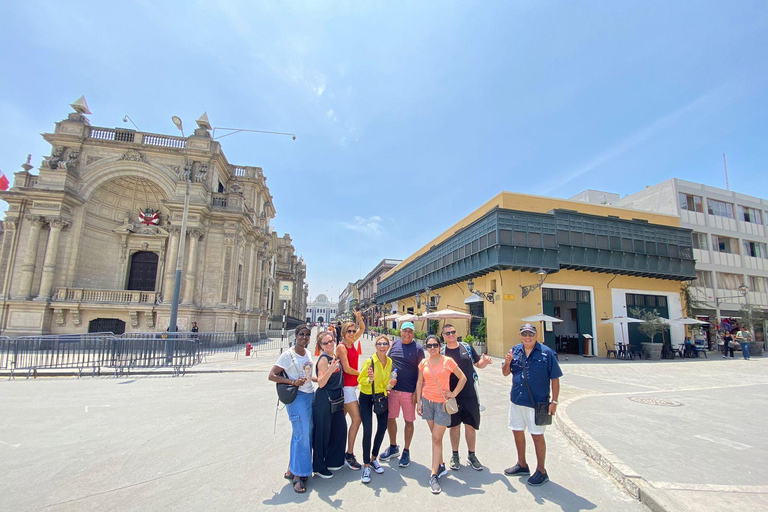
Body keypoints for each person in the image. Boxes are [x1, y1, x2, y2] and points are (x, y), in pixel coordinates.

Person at [502, 323, 562, 487]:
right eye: (524, 334)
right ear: (520, 335)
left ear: (536, 335)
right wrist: (507, 362)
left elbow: (555, 379)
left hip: (537, 403)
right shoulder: (515, 350)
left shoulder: (547, 353)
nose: (527, 337)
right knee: (517, 432)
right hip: (517, 400)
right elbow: (506, 373)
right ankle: (522, 464)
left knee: (537, 436)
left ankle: (541, 471)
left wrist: (554, 402)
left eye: (531, 334)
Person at [416, 335, 467, 495]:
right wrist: (418, 402)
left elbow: (463, 378)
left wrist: (454, 393)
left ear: (440, 346)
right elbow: (419, 382)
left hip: (442, 405)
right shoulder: (424, 362)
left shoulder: (448, 361)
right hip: (427, 402)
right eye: (429, 345)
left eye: (435, 345)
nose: (432, 348)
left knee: (436, 438)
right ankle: (441, 465)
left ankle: (433, 474)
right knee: (435, 437)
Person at [268, 324, 314, 493]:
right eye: (301, 334)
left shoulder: (307, 353)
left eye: (307, 334)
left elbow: (308, 375)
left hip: (310, 395)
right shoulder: (288, 355)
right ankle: (298, 475)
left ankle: (291, 468)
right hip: (297, 398)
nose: (304, 337)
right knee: (302, 435)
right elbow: (272, 375)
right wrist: (293, 382)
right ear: (295, 336)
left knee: (302, 434)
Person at [440, 324, 492, 471]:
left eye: (453, 332)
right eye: (447, 333)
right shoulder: (442, 351)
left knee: (470, 425)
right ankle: (455, 455)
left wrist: (485, 362)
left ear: (456, 333)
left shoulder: (466, 347)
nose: (451, 335)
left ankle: (472, 455)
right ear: (443, 336)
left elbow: (478, 364)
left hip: (469, 393)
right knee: (454, 426)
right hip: (451, 395)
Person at [379, 321, 424, 468]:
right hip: (393, 391)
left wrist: (417, 393)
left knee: (408, 421)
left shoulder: (418, 349)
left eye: (410, 331)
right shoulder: (395, 345)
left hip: (408, 392)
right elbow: (388, 364)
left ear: (413, 333)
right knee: (390, 419)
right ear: (400, 332)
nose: (407, 334)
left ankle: (406, 450)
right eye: (405, 331)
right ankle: (393, 447)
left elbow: (422, 373)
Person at [357, 335, 396, 484]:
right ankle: (366, 465)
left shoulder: (389, 361)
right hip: (366, 396)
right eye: (379, 343)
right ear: (376, 346)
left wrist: (391, 384)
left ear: (388, 346)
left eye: (385, 343)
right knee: (368, 430)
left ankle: (374, 458)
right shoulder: (370, 361)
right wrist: (369, 379)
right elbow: (360, 381)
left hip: (381, 396)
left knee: (382, 428)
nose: (382, 346)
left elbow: (385, 384)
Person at [312, 330, 347, 478]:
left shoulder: (334, 356)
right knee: (322, 433)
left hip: (336, 398)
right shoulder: (324, 359)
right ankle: (319, 467)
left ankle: (333, 460)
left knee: (339, 429)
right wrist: (330, 370)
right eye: (326, 342)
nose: (330, 344)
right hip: (324, 400)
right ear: (320, 345)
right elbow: (321, 383)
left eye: (331, 341)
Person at [336, 309, 365, 470]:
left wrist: (359, 318)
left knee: (341, 421)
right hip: (347, 387)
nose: (353, 333)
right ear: (343, 332)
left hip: (352, 387)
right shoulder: (342, 347)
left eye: (353, 331)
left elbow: (362, 329)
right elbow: (346, 369)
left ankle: (337, 452)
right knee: (357, 419)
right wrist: (362, 373)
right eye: (349, 331)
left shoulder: (351, 343)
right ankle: (349, 453)